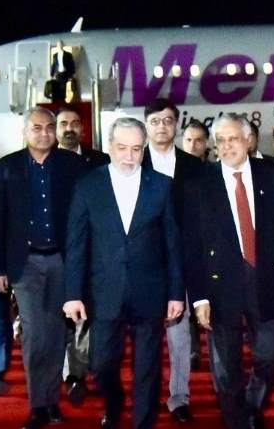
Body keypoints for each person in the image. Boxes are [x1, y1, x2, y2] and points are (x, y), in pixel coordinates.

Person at [63, 117, 185, 429]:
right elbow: (76, 245)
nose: (129, 156)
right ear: (109, 147)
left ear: (144, 149)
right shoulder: (88, 186)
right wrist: (72, 294)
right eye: (122, 148)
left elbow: (173, 245)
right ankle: (114, 403)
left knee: (148, 368)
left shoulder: (162, 185)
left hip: (150, 290)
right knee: (102, 364)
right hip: (104, 291)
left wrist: (176, 294)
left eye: (136, 149)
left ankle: (143, 422)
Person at [184, 113, 274, 429]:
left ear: (248, 140)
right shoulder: (199, 183)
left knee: (271, 353)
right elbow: (191, 246)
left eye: (233, 139)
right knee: (226, 367)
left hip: (268, 279)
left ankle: (252, 402)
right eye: (220, 141)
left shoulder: (272, 174)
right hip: (219, 286)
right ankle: (236, 420)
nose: (226, 146)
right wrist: (198, 298)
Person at [0, 107, 85, 429]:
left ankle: (52, 401)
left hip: (62, 260)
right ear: (25, 132)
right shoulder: (7, 167)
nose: (44, 133)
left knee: (56, 334)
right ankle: (38, 405)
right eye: (36, 128)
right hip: (24, 262)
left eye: (49, 127)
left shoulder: (72, 165)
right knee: (34, 334)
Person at [142, 98, 203, 423]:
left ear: (176, 124)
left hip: (185, 262)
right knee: (146, 336)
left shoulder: (195, 166)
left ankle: (179, 397)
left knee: (180, 335)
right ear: (146, 125)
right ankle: (146, 396)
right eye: (155, 121)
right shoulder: (133, 162)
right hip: (145, 264)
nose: (162, 126)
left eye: (168, 120)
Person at [55, 105, 108, 405]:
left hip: (92, 252)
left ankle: (76, 374)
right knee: (59, 318)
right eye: (64, 123)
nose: (69, 128)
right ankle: (67, 372)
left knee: (85, 316)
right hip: (52, 253)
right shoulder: (44, 162)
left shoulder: (100, 161)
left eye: (75, 123)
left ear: (83, 129)